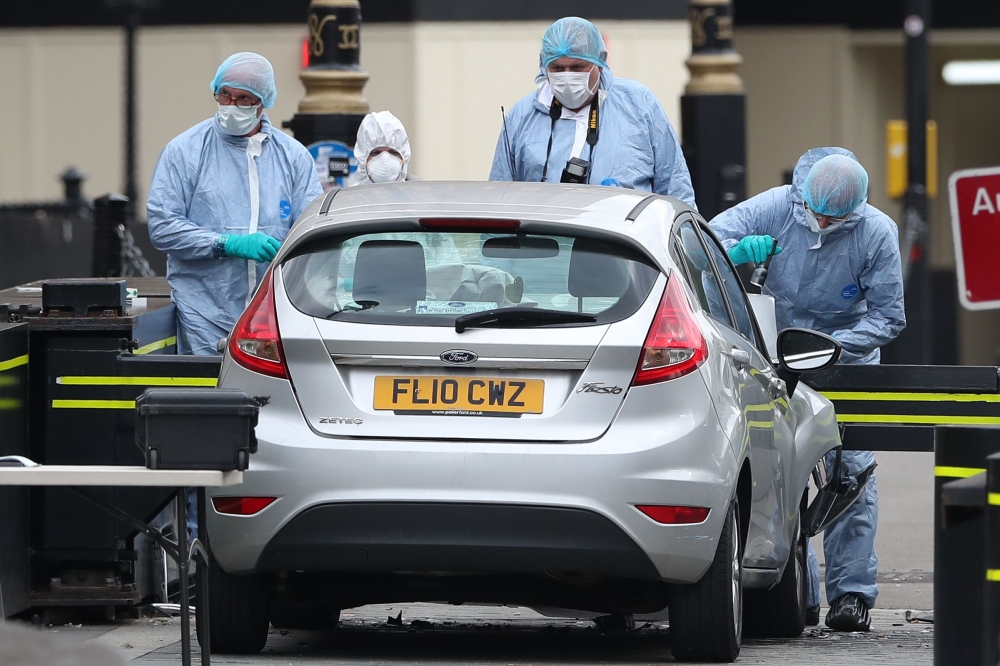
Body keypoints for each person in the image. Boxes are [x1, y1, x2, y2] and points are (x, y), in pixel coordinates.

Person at [710, 147, 905, 632]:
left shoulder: (877, 233)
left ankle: (852, 594)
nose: (820, 223)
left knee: (850, 475)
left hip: (846, 360)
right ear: (803, 197)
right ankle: (800, 591)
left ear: (854, 211)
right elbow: (706, 241)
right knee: (784, 472)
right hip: (777, 354)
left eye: (834, 219)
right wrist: (735, 254)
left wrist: (833, 348)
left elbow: (888, 316)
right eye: (815, 213)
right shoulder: (777, 206)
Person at [148, 52, 323, 356]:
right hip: (203, 310)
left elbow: (311, 229)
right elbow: (163, 226)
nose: (232, 106)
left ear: (262, 102)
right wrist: (226, 243)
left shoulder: (293, 157)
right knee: (210, 397)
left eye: (244, 99)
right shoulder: (185, 151)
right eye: (225, 95)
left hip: (274, 313)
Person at [489, 17, 696, 208]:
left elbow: (675, 189)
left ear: (600, 62)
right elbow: (499, 198)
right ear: (544, 66)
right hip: (542, 245)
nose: (568, 77)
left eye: (578, 66)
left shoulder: (638, 104)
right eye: (558, 68)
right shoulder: (522, 116)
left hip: (625, 244)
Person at [351, 110, 411, 184]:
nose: (385, 158)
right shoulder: (349, 195)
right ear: (363, 158)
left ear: (403, 158)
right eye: (376, 153)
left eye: (393, 152)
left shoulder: (414, 195)